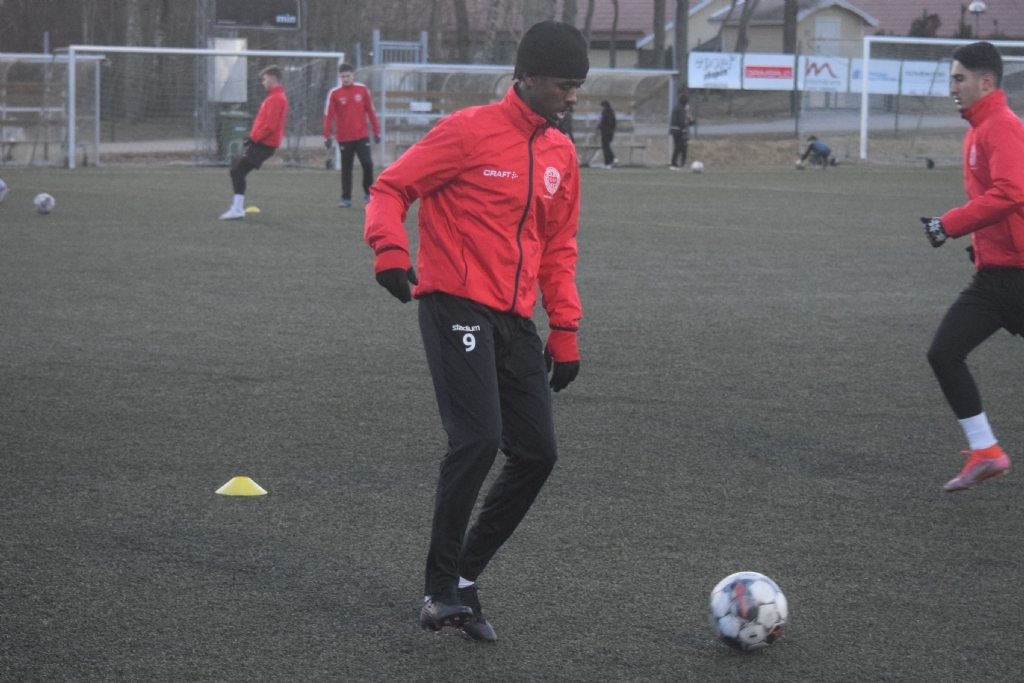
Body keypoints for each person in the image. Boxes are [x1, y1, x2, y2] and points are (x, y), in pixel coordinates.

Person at [364, 20, 587, 642]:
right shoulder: (466, 131)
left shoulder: (561, 154)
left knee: (538, 453)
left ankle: (463, 577)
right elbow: (390, 188)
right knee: (478, 439)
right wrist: (389, 250)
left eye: (578, 87)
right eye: (564, 86)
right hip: (454, 304)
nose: (572, 98)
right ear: (528, 77)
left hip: (514, 319)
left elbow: (558, 246)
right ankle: (438, 591)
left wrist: (564, 327)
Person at [921, 41, 1024, 492]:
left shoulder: (1001, 126)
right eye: (951, 78)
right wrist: (978, 246)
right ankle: (985, 451)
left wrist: (949, 225)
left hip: (1019, 276)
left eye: (958, 78)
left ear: (985, 81)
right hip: (995, 277)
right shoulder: (979, 128)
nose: (952, 87)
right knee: (943, 353)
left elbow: (1012, 192)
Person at [219, 66, 288, 221]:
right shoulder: (274, 97)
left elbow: (270, 125)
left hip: (264, 144)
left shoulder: (276, 98)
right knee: (237, 170)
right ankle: (237, 208)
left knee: (237, 171)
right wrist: (252, 137)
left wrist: (253, 138)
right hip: (261, 143)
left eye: (265, 79)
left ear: (272, 79)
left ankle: (237, 209)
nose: (263, 82)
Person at [324, 63, 381, 208]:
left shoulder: (362, 90)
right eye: (343, 76)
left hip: (362, 135)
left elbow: (371, 111)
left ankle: (368, 193)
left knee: (367, 164)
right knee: (346, 168)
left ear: (353, 75)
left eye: (348, 76)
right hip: (344, 138)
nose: (345, 79)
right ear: (339, 77)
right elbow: (328, 115)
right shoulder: (335, 93)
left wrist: (377, 131)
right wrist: (327, 136)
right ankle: (346, 198)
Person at [669, 95, 694, 170]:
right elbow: (682, 121)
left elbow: (686, 121)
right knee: (679, 147)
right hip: (678, 131)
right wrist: (684, 130)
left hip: (676, 130)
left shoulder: (678, 108)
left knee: (682, 147)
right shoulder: (681, 109)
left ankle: (681, 163)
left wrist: (689, 120)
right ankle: (673, 163)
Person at [596, 99, 617, 168]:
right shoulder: (612, 112)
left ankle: (611, 159)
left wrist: (599, 128)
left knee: (605, 147)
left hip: (605, 132)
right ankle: (608, 162)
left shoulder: (604, 113)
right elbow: (614, 123)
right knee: (606, 146)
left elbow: (601, 122)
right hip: (611, 132)